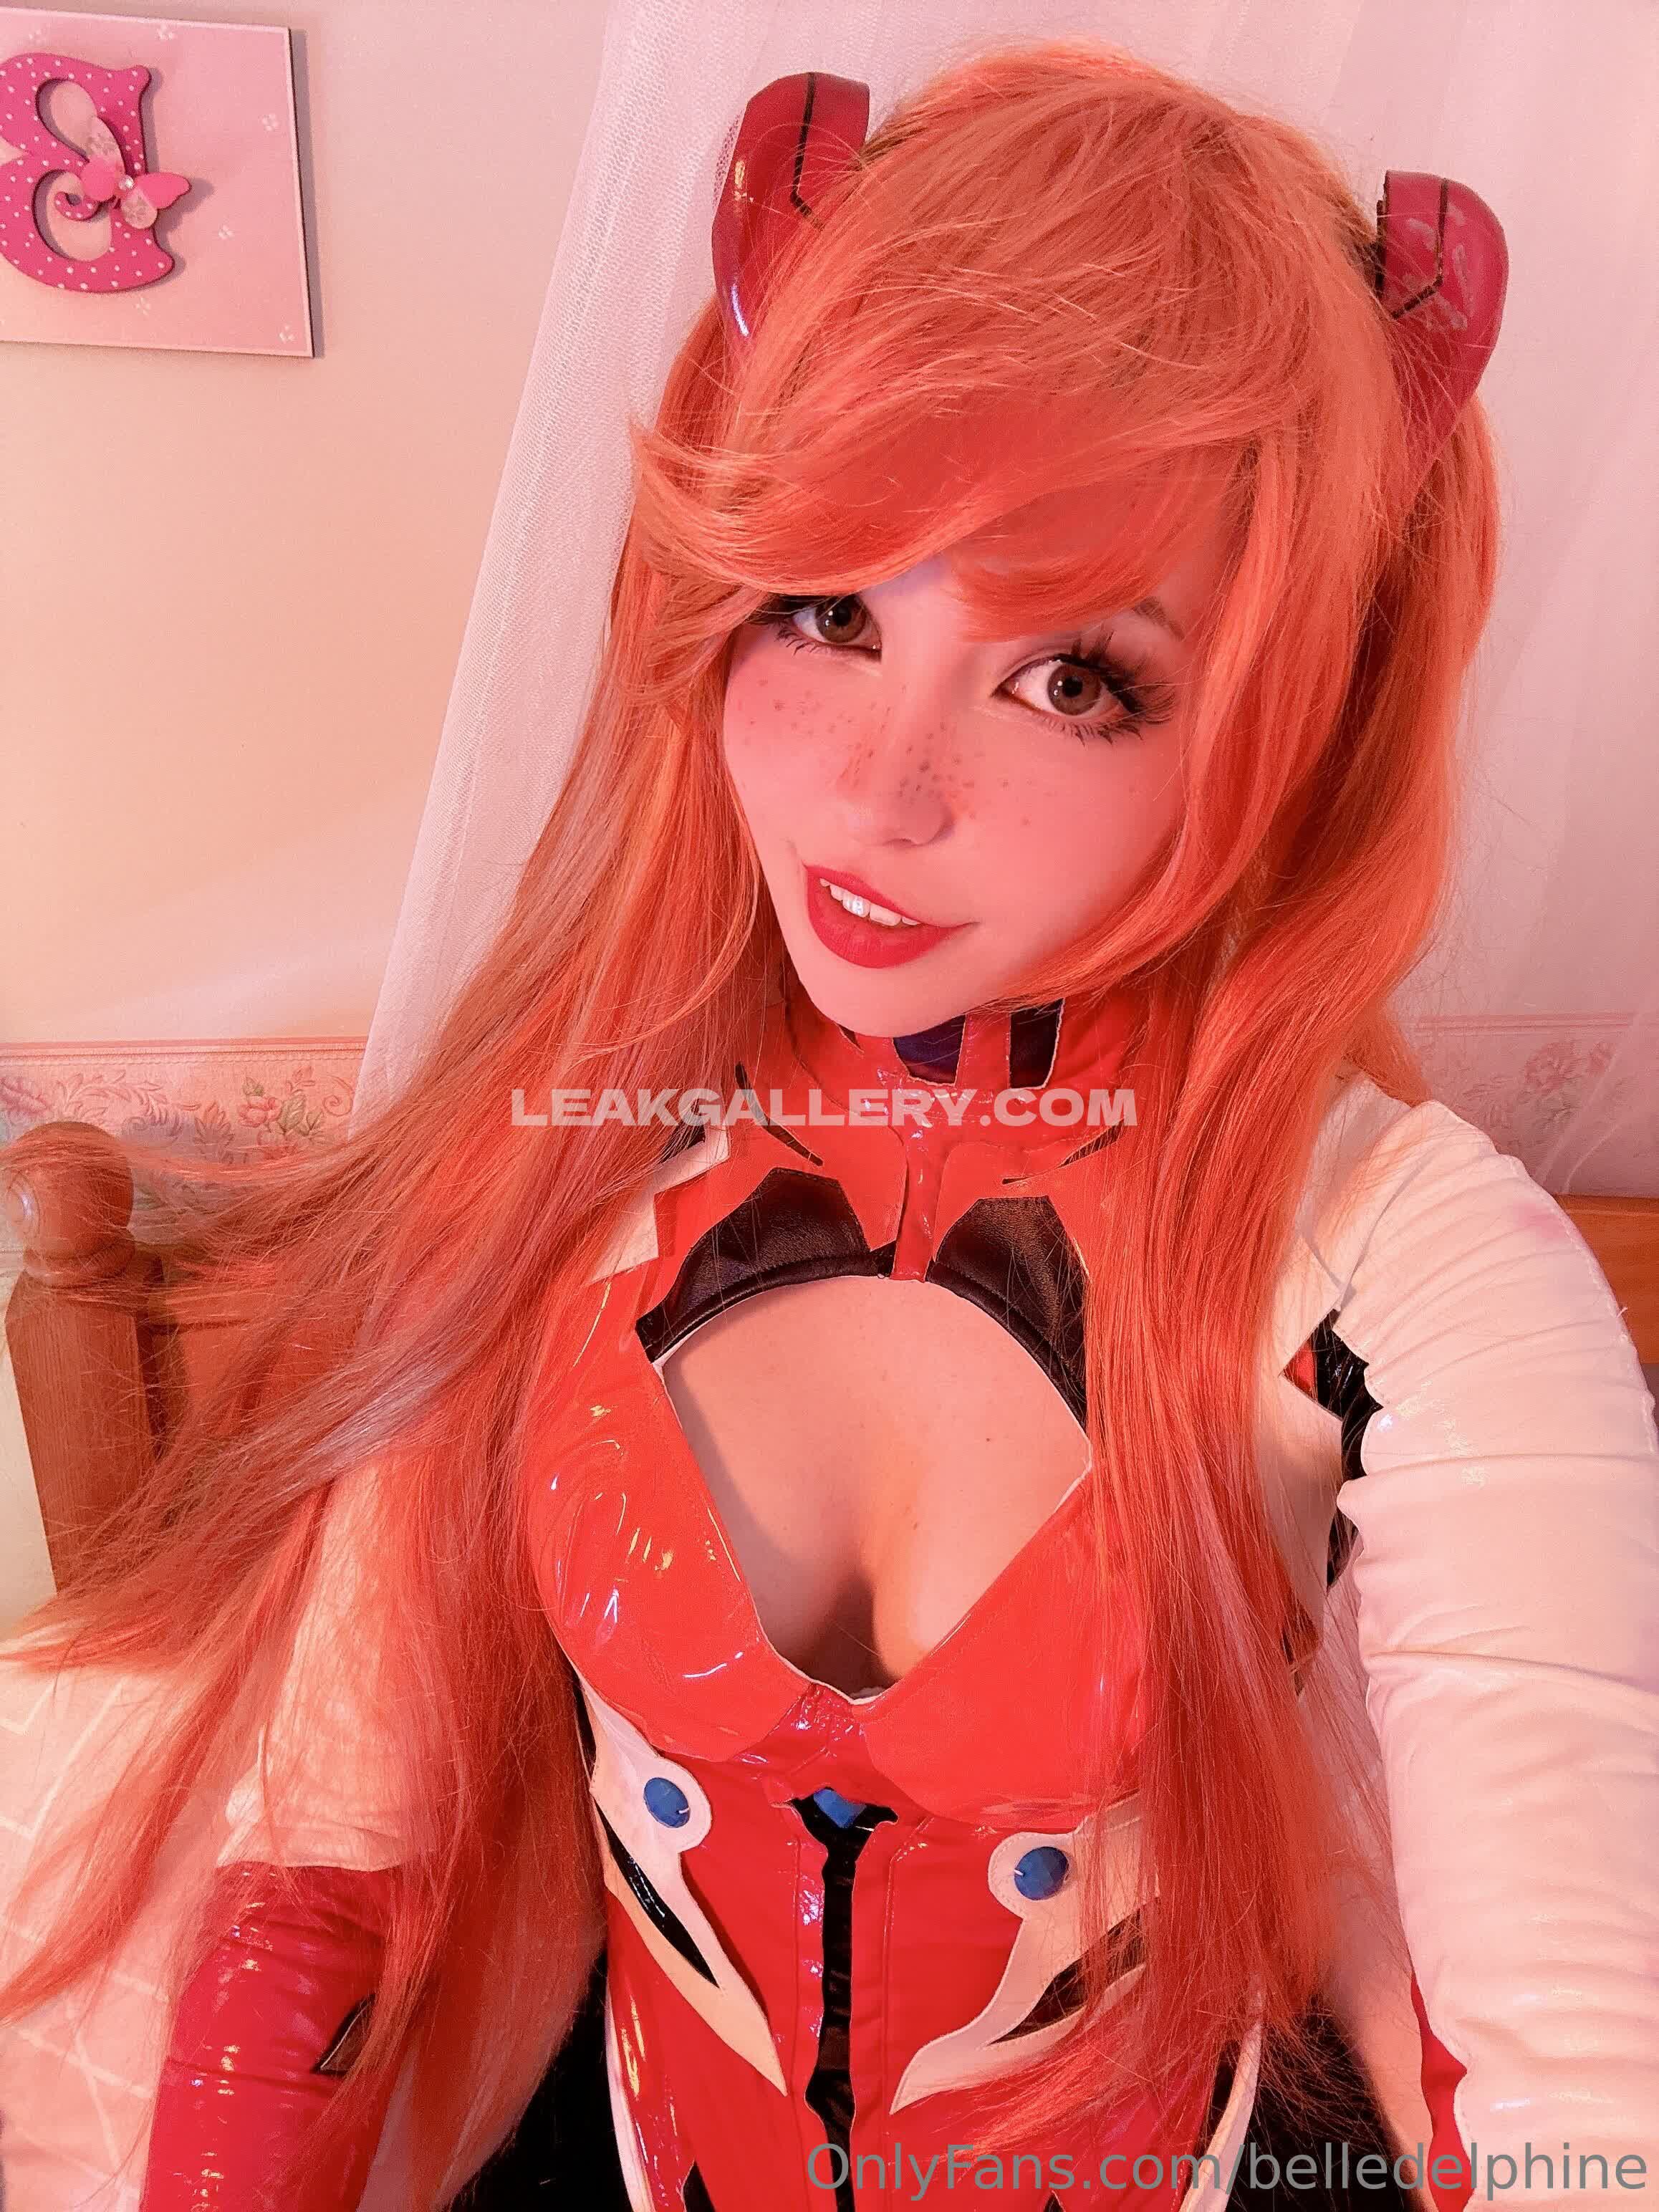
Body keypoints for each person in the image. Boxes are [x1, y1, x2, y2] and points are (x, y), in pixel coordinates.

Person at [2, 37, 1656, 2212]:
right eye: (824, 606)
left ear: (1285, 725)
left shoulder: (1413, 1266)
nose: (878, 791)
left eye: (1074, 675)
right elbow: (330, 1874)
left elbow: (1572, 2078)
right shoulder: (557, 1164)